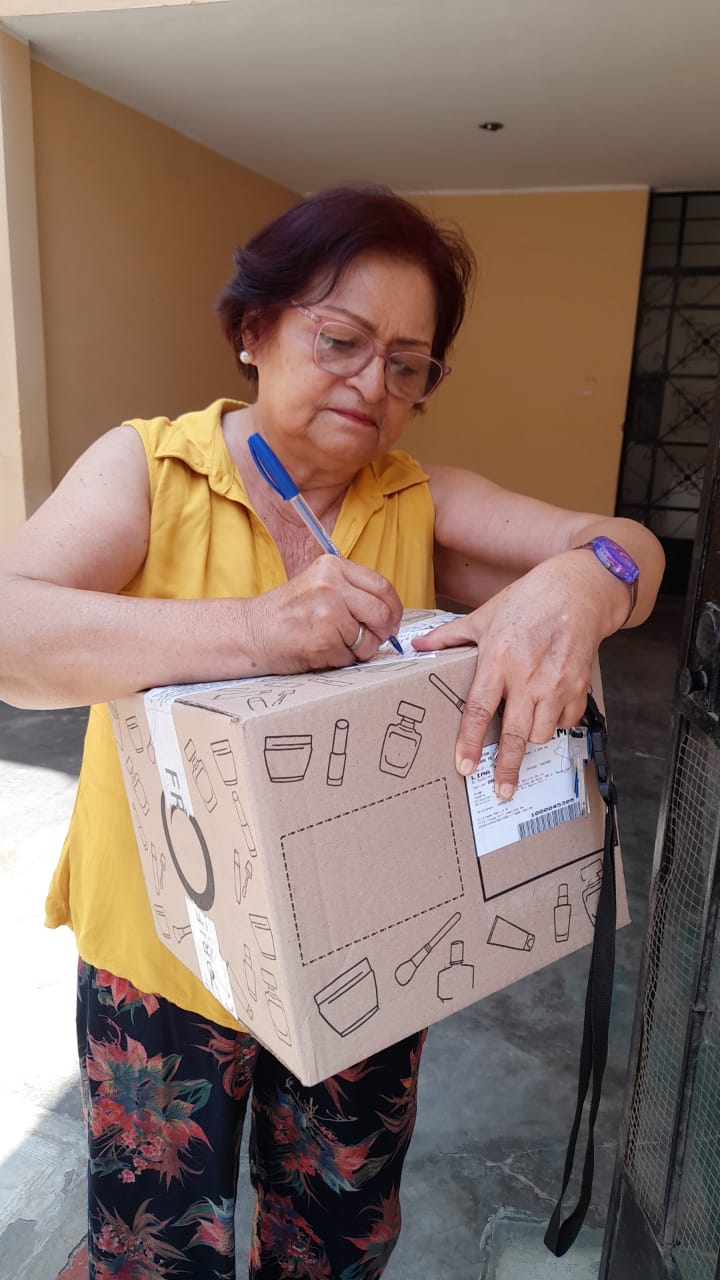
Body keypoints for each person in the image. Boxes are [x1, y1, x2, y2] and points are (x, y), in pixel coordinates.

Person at [0, 185, 664, 1279]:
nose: (373, 384)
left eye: (408, 364)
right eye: (342, 341)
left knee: (334, 1238)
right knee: (154, 1247)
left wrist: (584, 586)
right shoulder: (154, 470)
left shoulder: (417, 501)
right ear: (255, 330)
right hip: (161, 956)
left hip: (362, 959)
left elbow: (627, 542)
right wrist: (253, 630)